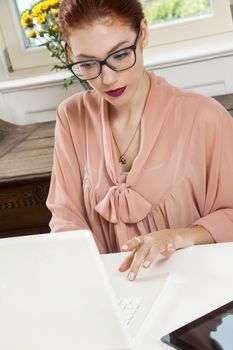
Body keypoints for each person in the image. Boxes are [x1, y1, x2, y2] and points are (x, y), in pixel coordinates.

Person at [46, 0, 233, 281]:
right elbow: (65, 217)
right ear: (70, 54)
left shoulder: (204, 117)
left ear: (143, 33)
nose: (108, 79)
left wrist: (180, 236)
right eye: (87, 64)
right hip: (112, 299)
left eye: (120, 55)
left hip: (198, 297)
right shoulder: (71, 117)